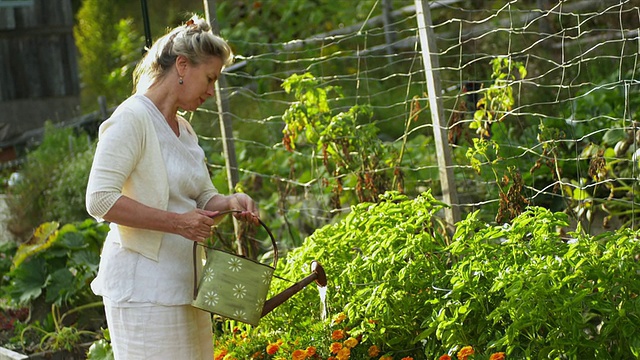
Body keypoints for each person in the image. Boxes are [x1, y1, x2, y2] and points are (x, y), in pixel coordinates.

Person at [85, 15, 257, 360]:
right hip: (143, 292)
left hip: (187, 287)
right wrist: (178, 223)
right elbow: (99, 199)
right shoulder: (132, 118)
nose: (211, 91)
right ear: (182, 65)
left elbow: (202, 198)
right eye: (209, 79)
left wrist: (230, 202)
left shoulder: (185, 131)